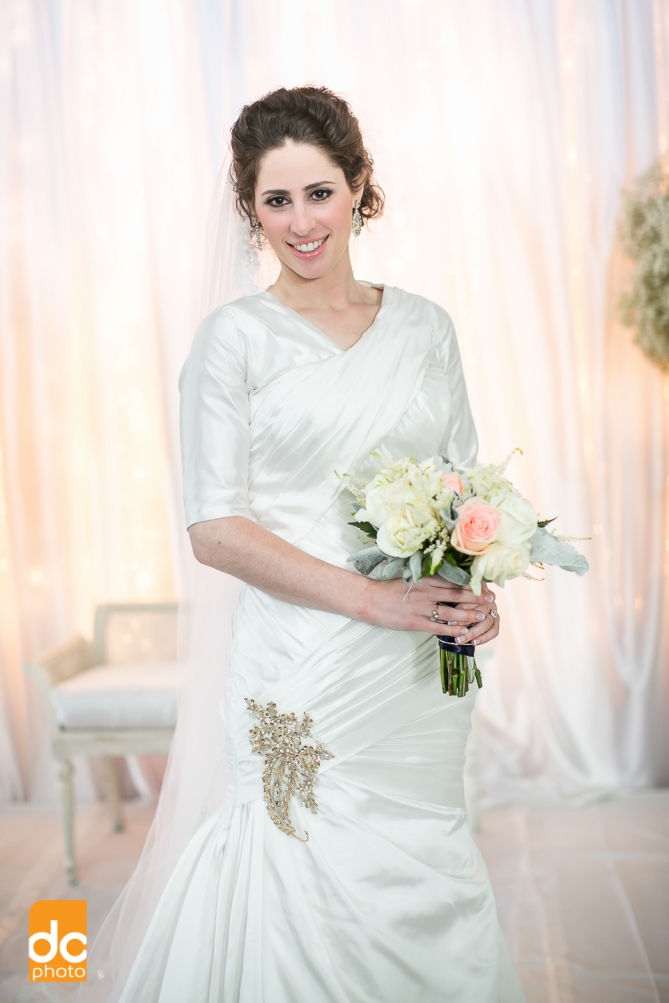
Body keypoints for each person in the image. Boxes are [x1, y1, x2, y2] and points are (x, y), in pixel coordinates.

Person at [114, 85, 526, 1003]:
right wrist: (372, 598)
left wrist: (476, 591)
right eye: (276, 200)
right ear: (250, 209)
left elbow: (463, 489)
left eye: (319, 193)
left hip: (417, 671)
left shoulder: (427, 327)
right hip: (300, 663)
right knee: (297, 868)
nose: (301, 222)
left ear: (358, 186)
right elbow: (215, 528)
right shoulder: (232, 341)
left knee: (424, 871)